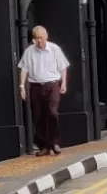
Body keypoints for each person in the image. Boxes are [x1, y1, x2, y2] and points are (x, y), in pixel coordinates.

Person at [18, 25, 69, 156]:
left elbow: (63, 67)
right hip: (35, 86)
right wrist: (22, 86)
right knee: (38, 116)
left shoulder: (54, 49)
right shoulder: (29, 51)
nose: (39, 41)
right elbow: (24, 69)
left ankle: (55, 142)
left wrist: (64, 82)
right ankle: (44, 146)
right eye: (36, 38)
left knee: (52, 112)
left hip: (52, 85)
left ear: (46, 37)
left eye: (41, 38)